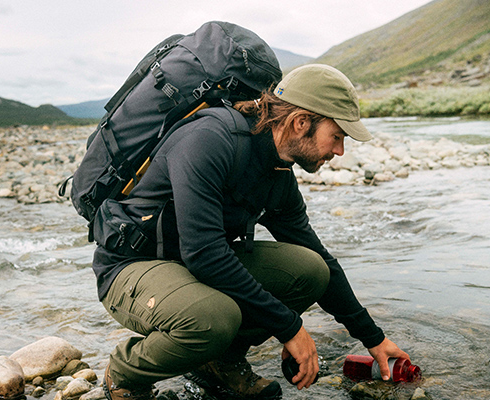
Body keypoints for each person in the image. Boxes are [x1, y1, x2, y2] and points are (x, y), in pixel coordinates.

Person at [92, 64, 411, 400]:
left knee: (310, 270)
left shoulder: (278, 173)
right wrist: (290, 328)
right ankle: (127, 370)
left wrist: (373, 338)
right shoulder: (210, 140)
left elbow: (321, 259)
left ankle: (220, 361)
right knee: (213, 318)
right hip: (132, 268)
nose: (339, 151)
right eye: (337, 136)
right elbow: (205, 254)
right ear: (302, 122)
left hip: (192, 267)